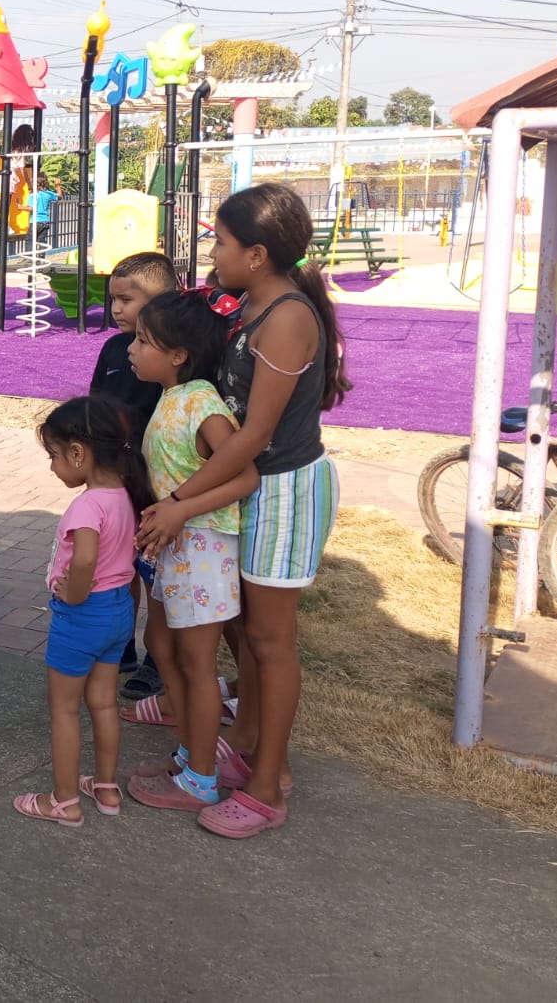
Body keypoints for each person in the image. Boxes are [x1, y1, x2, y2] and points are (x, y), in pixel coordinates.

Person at [137, 182, 349, 840]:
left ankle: (267, 788)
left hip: (284, 491)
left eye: (222, 243)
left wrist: (179, 502)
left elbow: (254, 436)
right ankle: (250, 744)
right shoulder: (249, 305)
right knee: (247, 634)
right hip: (250, 488)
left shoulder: (286, 318)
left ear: (257, 255)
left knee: (269, 640)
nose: (213, 254)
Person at [120, 291, 258, 811]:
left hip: (202, 547)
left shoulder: (201, 401)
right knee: (163, 643)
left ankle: (201, 778)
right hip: (177, 549)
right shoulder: (173, 396)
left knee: (197, 663)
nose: (131, 349)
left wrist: (179, 509)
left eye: (143, 341)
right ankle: (190, 752)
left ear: (178, 354)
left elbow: (244, 475)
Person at [14, 396, 156, 828]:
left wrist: (73, 597)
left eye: (54, 456)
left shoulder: (87, 505)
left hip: (82, 618)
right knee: (104, 703)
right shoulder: (126, 496)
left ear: (78, 453)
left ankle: (63, 801)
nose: (53, 467)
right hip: (118, 614)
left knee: (64, 710)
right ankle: (107, 788)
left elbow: (85, 560)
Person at [89, 250, 179, 701]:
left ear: (161, 300)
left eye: (127, 299)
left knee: (155, 572)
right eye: (113, 300)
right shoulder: (112, 349)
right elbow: (96, 407)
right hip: (116, 482)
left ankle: (157, 659)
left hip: (160, 485)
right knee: (118, 565)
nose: (116, 309)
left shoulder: (177, 358)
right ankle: (120, 643)